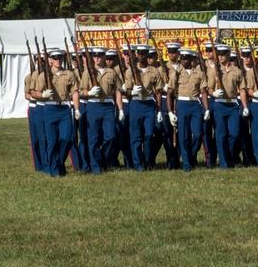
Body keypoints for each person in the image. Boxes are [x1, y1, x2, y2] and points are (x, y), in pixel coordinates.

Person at [31, 48, 79, 177]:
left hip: (64, 109)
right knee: (52, 141)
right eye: (55, 58)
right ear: (50, 60)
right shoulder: (44, 75)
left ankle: (58, 163)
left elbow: (74, 92)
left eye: (60, 58)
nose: (58, 60)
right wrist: (43, 95)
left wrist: (77, 108)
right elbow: (34, 92)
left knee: (66, 139)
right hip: (50, 108)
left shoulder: (69, 74)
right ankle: (55, 170)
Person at [76, 46, 123, 174]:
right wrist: (89, 92)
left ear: (104, 57)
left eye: (99, 56)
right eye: (95, 56)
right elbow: (81, 91)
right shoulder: (88, 72)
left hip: (108, 106)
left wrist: (121, 109)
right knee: (94, 138)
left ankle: (101, 158)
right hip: (93, 105)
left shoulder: (111, 72)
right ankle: (96, 167)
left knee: (110, 136)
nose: (97, 58)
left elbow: (117, 91)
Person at [167, 48, 210, 171]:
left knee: (197, 134)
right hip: (182, 104)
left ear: (191, 59)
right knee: (184, 136)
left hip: (195, 104)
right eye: (182, 58)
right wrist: (170, 113)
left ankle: (189, 155)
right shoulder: (176, 73)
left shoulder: (199, 73)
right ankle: (186, 163)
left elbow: (203, 92)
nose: (183, 61)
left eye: (186, 58)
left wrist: (206, 109)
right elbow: (170, 93)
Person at [207, 44, 249, 169]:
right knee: (221, 134)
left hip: (232, 105)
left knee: (234, 133)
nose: (220, 56)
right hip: (219, 104)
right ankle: (224, 163)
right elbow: (209, 89)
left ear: (228, 54)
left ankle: (228, 156)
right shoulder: (213, 70)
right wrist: (213, 93)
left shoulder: (237, 71)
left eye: (223, 53)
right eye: (219, 54)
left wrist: (245, 106)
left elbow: (241, 89)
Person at [124, 45, 165, 171]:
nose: (141, 56)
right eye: (139, 53)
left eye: (144, 53)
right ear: (136, 55)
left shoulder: (154, 71)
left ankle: (147, 161)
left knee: (149, 134)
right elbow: (128, 92)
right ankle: (138, 164)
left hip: (149, 104)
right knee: (136, 136)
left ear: (148, 55)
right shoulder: (131, 70)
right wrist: (133, 91)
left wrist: (159, 110)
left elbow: (158, 92)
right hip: (136, 104)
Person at [24, 52, 46, 172]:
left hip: (46, 107)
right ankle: (38, 166)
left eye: (43, 60)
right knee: (36, 139)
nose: (41, 62)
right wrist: (37, 97)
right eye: (39, 60)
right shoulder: (30, 77)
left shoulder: (50, 75)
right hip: (34, 107)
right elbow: (26, 94)